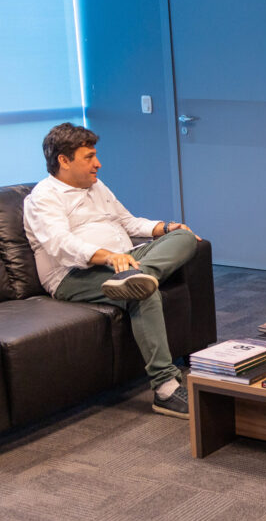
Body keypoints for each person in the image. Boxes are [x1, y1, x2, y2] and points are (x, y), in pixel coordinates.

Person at [23, 123, 202, 419]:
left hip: (127, 260)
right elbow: (60, 244)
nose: (98, 163)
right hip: (73, 275)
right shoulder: (43, 198)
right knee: (143, 293)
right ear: (63, 161)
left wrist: (164, 228)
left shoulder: (96, 186)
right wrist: (107, 257)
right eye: (89, 157)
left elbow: (128, 222)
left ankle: (138, 276)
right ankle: (165, 389)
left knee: (183, 238)